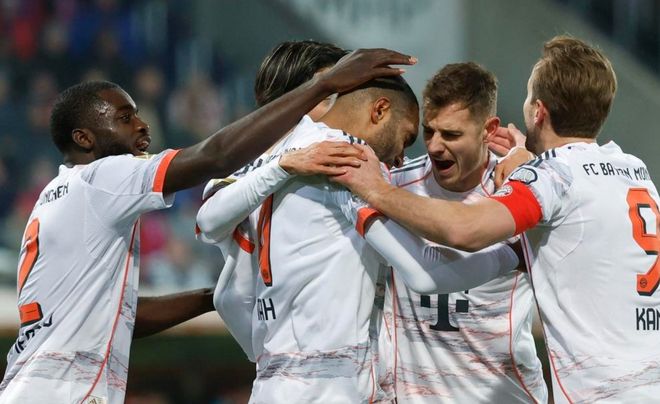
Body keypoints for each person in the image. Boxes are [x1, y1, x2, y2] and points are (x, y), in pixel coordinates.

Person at [0, 48, 416, 404]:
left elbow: (122, 317)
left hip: (32, 385)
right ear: (84, 139)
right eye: (125, 118)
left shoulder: (55, 199)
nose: (142, 126)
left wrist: (211, 297)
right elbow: (215, 156)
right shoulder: (102, 178)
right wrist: (323, 86)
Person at [334, 36, 660, 403]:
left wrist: (373, 191)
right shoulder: (634, 171)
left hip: (595, 393)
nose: (436, 144)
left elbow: (463, 231)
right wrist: (528, 162)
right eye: (430, 132)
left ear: (537, 112)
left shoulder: (550, 178)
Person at [197, 69, 527, 402]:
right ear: (379, 110)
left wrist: (265, 356)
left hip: (273, 382)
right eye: (414, 135)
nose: (402, 155)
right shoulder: (349, 161)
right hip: (333, 387)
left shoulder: (280, 161)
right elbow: (424, 273)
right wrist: (511, 255)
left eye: (451, 134)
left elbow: (222, 272)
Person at [378, 62, 546, 403]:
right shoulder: (391, 188)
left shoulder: (521, 197)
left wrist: (532, 161)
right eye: (429, 131)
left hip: (503, 396)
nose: (434, 146)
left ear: (489, 129)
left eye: (451, 135)